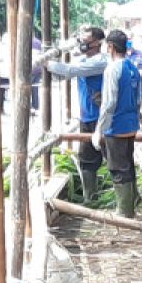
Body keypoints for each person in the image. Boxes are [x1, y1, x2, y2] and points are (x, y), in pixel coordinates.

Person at [47, 26, 108, 202]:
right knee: (87, 158)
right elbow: (66, 71)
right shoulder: (84, 60)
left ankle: (127, 199)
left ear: (98, 43)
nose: (82, 43)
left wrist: (46, 62)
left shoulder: (99, 62)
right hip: (87, 116)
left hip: (101, 117)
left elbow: (69, 70)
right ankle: (91, 198)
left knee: (112, 157)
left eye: (85, 40)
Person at [94, 30, 142, 218]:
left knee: (118, 168)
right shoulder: (133, 68)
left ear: (111, 47)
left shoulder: (112, 69)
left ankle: (124, 210)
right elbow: (140, 99)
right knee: (128, 164)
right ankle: (132, 203)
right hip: (131, 126)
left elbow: (108, 103)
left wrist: (99, 130)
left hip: (116, 127)